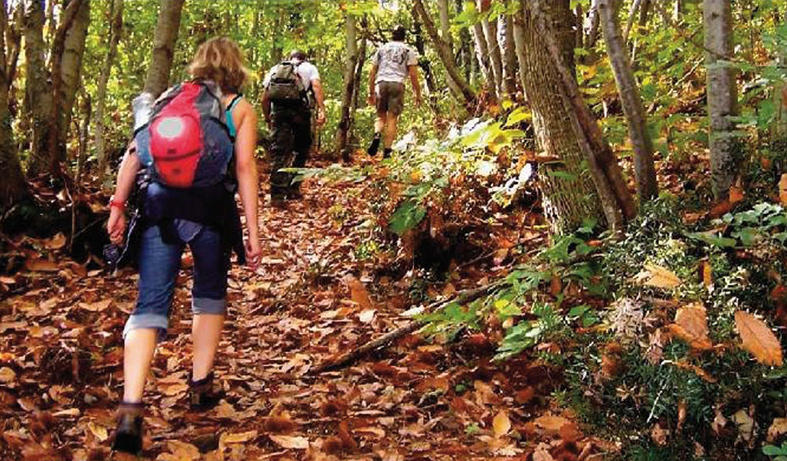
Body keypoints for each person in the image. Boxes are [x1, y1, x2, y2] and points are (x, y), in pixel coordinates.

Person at [106, 37, 261, 454]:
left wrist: (117, 206)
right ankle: (200, 385)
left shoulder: (168, 100)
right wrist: (253, 232)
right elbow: (245, 170)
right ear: (236, 66)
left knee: (149, 305)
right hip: (211, 212)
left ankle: (131, 407)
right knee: (209, 295)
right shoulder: (238, 108)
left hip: (160, 209)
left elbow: (135, 154)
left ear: (198, 66)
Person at [261, 50, 326, 206]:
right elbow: (316, 86)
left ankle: (277, 196)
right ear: (305, 58)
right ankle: (293, 188)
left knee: (279, 152)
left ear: (289, 59)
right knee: (302, 150)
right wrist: (322, 109)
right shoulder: (309, 68)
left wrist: (267, 116)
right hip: (300, 113)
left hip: (279, 112)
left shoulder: (276, 68)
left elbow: (265, 95)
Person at [367, 25, 422, 158]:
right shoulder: (409, 50)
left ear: (392, 35)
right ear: (404, 36)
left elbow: (372, 71)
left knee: (380, 116)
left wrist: (371, 92)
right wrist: (417, 93)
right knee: (392, 118)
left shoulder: (382, 49)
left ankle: (377, 134)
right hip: (397, 84)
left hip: (381, 83)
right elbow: (414, 75)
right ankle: (387, 151)